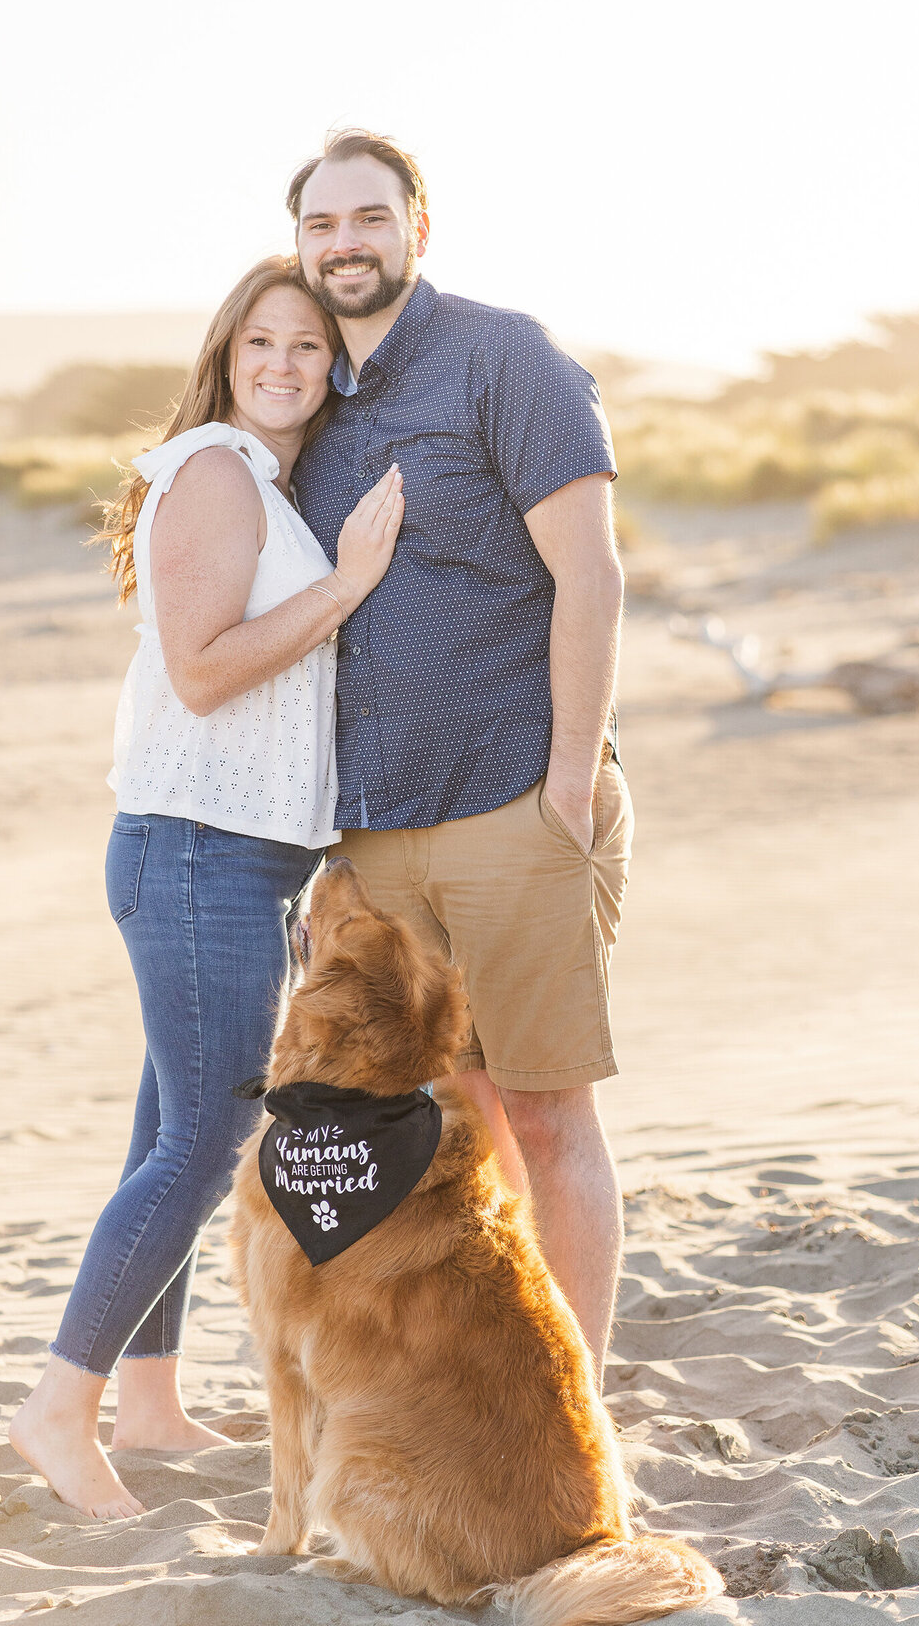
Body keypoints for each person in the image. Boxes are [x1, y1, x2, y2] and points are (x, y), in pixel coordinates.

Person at [9, 255, 404, 1517]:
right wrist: (348, 586)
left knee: (167, 1131)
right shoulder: (216, 471)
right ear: (226, 363)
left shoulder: (265, 487)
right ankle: (59, 1410)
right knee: (210, 1139)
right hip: (195, 857)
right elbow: (201, 669)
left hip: (232, 862)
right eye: (260, 348)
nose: (285, 367)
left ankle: (148, 1397)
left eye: (306, 348)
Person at [290, 131, 630, 1382]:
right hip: (375, 831)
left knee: (546, 1111)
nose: (345, 243)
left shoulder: (504, 356)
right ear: (302, 244)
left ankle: (573, 1400)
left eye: (368, 217)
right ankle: (502, 1373)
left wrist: (567, 780)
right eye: (322, 225)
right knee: (460, 1120)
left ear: (417, 229)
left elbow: (589, 572)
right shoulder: (315, 394)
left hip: (511, 800)